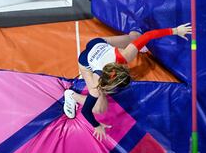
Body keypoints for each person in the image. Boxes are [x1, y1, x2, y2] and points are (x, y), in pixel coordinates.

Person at [63, 23, 192, 141]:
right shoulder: (98, 84)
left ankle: (134, 36)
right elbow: (87, 111)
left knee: (136, 37)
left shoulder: (126, 55)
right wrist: (96, 125)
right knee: (100, 108)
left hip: (98, 44)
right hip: (86, 62)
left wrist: (176, 30)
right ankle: (71, 96)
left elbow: (147, 36)